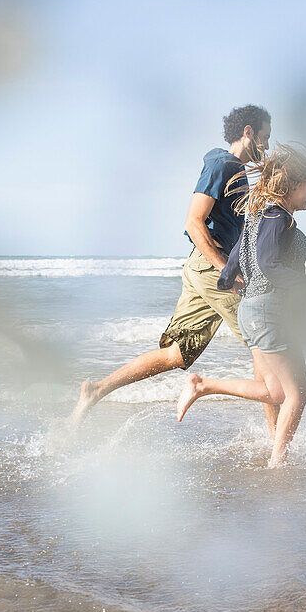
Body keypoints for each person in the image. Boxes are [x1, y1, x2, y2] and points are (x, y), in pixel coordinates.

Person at [70, 105, 273, 425]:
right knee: (265, 343)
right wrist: (224, 269)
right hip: (211, 268)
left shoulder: (236, 172)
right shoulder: (222, 165)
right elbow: (194, 223)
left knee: (177, 354)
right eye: (264, 137)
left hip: (203, 268)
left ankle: (97, 390)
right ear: (247, 132)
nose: (266, 145)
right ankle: (277, 443)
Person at [175, 144, 306, 467]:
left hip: (252, 308)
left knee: (275, 391)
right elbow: (268, 264)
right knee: (298, 391)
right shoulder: (278, 218)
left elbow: (235, 259)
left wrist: (231, 282)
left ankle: (202, 385)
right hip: (270, 311)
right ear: (295, 184)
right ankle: (277, 464)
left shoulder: (257, 216)